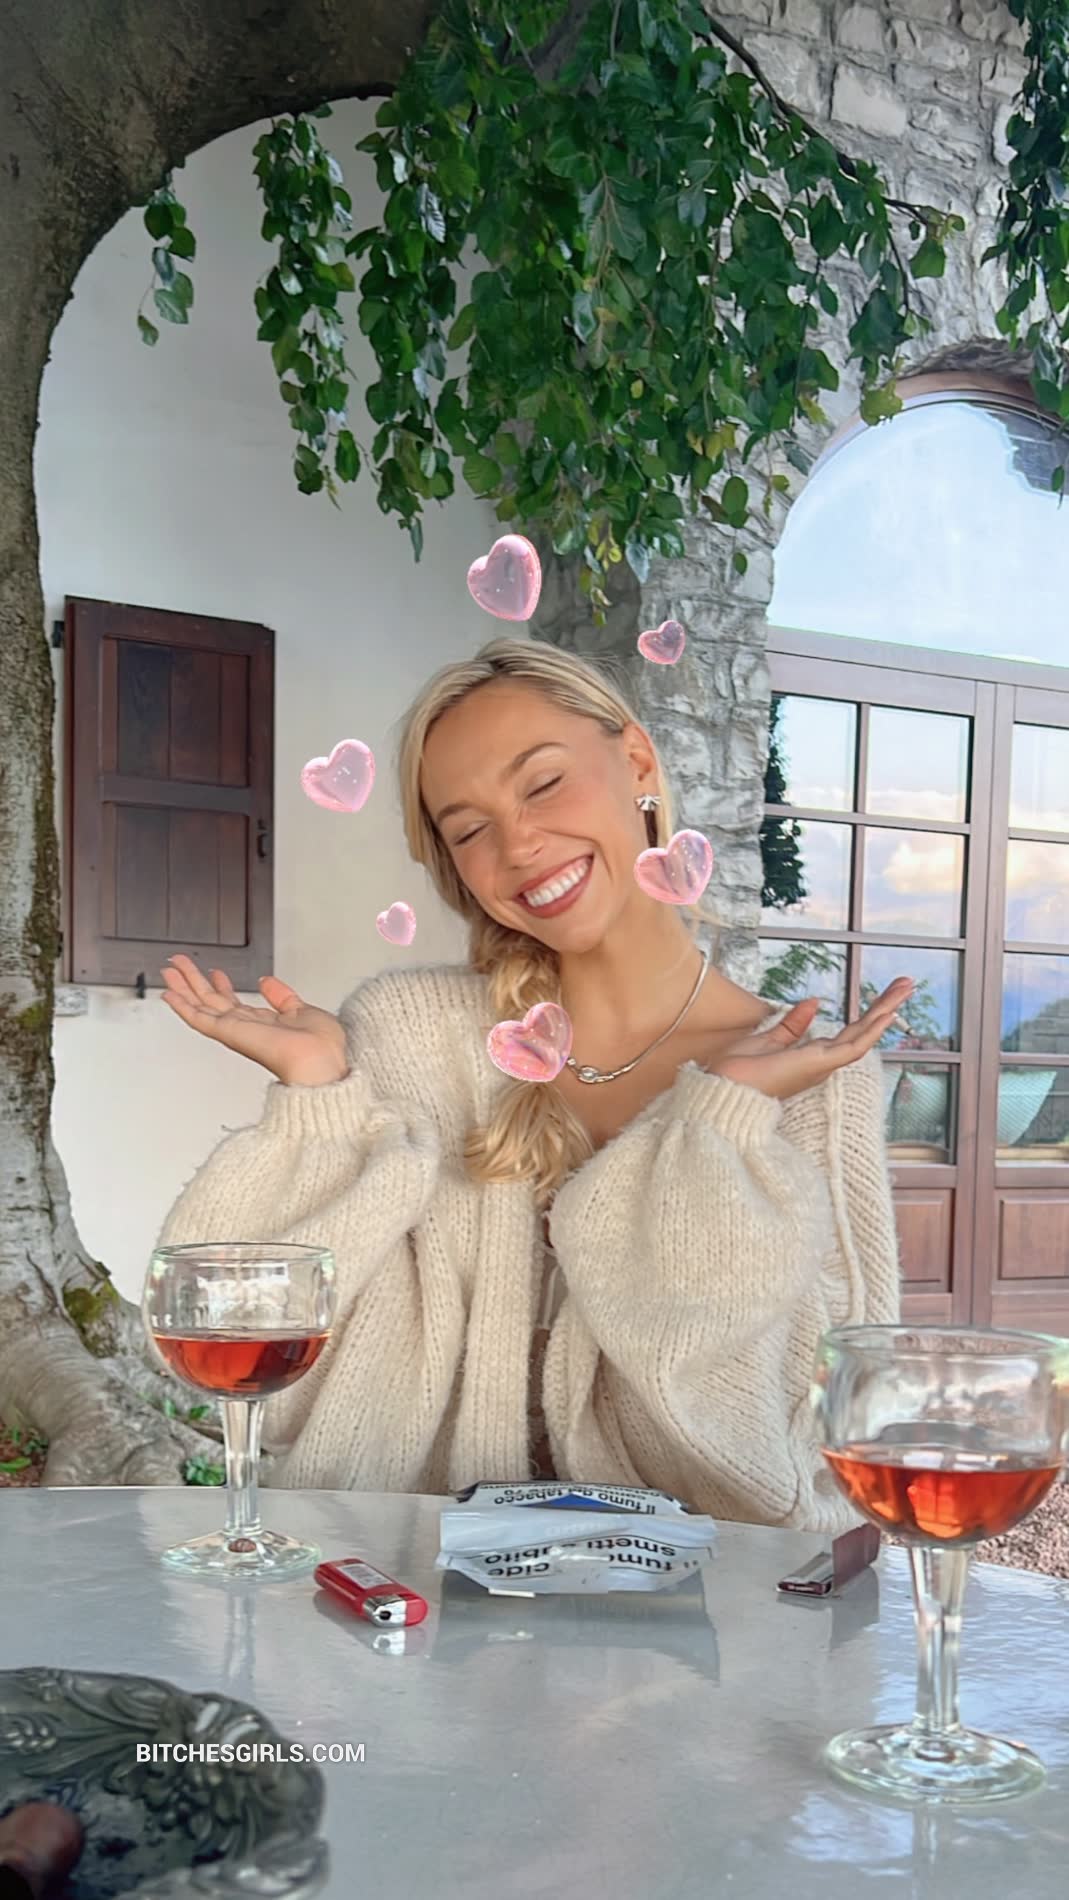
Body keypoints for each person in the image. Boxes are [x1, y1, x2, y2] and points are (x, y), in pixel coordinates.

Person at [157, 638, 908, 1529]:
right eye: (469, 830)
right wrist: (317, 1106)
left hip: (700, 1597)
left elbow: (783, 1449)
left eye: (543, 784)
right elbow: (266, 1367)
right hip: (398, 1575)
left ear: (636, 763)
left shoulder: (811, 1080)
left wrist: (715, 1128)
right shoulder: (409, 1032)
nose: (516, 844)